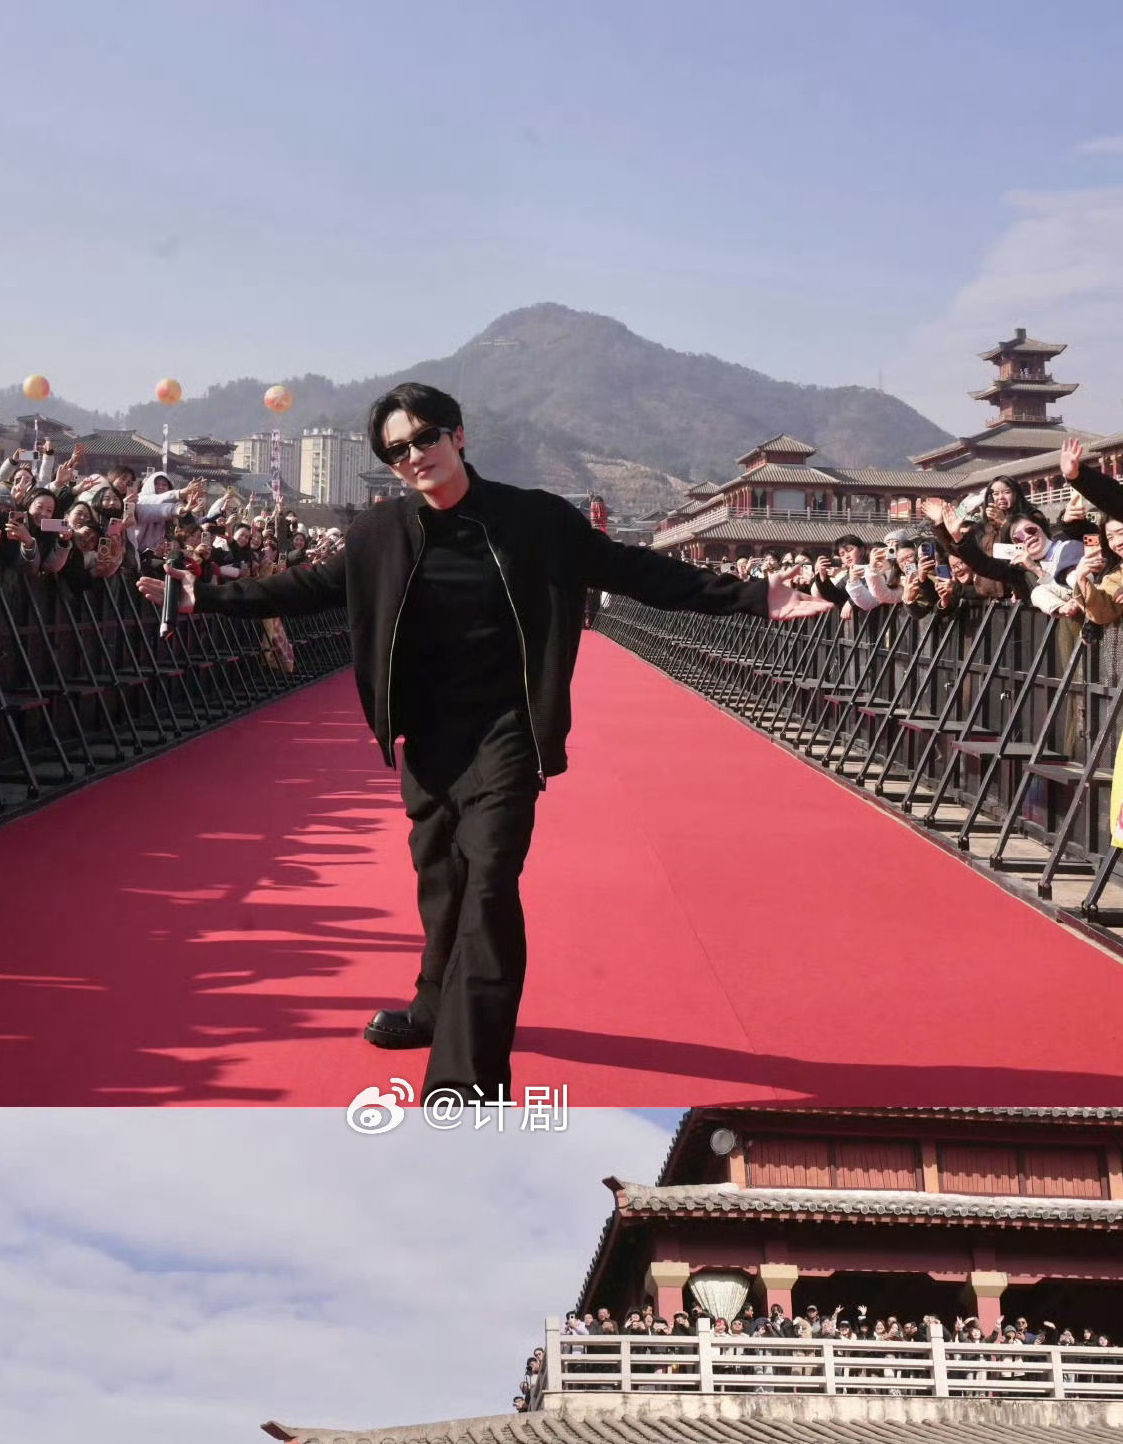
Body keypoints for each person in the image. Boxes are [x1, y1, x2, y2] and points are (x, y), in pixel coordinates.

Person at [142, 383, 811, 1099]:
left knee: (488, 886)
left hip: (508, 729)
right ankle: (433, 1006)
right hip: (429, 734)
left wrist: (755, 596)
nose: (413, 456)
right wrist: (203, 596)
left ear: (458, 436)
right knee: (442, 881)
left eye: (424, 438)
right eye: (396, 451)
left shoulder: (534, 520)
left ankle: (466, 1076)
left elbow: (637, 570)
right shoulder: (380, 534)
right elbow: (303, 588)